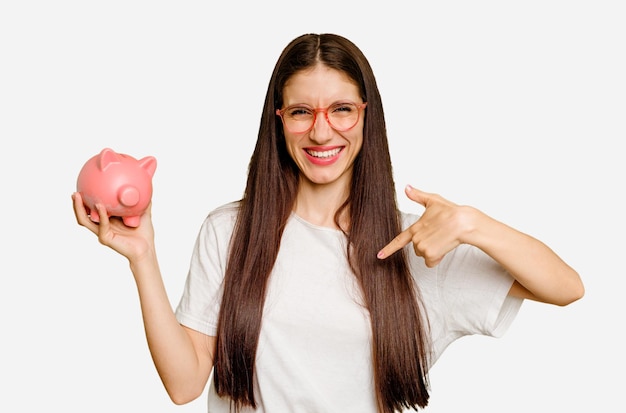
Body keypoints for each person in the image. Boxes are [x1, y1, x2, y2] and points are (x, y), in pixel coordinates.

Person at [72, 33, 584, 413]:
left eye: (341, 109)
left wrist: (472, 222)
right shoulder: (230, 232)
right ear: (279, 120)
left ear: (366, 116)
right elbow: (184, 385)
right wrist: (143, 256)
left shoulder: (414, 245)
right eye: (300, 112)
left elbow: (566, 287)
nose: (321, 130)